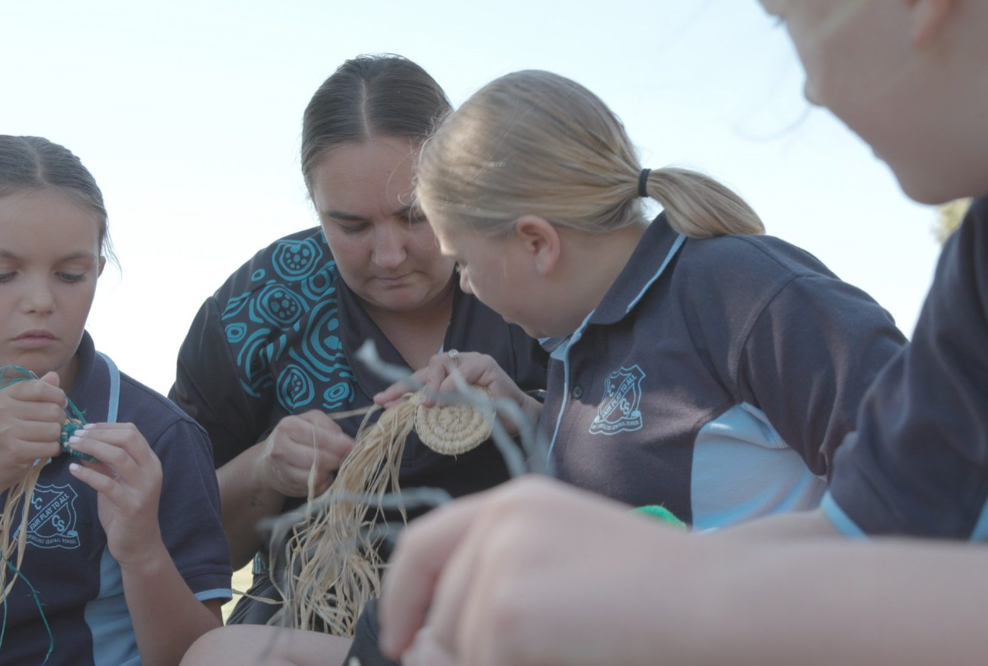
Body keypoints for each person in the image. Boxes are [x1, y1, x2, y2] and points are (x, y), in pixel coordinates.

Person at [377, 1, 988, 663]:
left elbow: (928, 519)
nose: (808, 91)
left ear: (536, 242)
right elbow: (880, 508)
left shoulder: (741, 292)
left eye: (783, 18)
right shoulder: (566, 348)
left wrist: (666, 597)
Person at [377, 67, 905, 531]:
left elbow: (931, 470)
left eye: (464, 262)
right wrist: (529, 413)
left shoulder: (743, 294)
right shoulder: (577, 340)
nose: (465, 284)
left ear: (537, 243)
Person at [171, 55, 547, 665]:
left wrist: (528, 417)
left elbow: (643, 475)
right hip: (312, 625)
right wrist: (264, 468)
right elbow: (185, 538)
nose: (390, 254)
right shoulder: (262, 305)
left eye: (415, 215)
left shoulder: (532, 275)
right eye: (350, 226)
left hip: (517, 617)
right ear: (314, 205)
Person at [0, 135, 231, 665]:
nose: (40, 302)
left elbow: (204, 654)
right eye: (0, 274)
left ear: (99, 270)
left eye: (71, 275)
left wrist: (142, 552)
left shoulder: (155, 436)